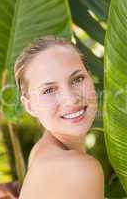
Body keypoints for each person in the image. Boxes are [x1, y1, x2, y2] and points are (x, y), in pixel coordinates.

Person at [14, 35, 104, 199]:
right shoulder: (80, 169)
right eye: (49, 90)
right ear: (30, 106)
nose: (71, 98)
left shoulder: (42, 149)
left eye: (77, 79)